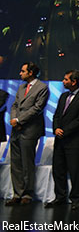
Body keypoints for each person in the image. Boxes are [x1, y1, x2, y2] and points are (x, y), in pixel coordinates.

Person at [45, 70, 79, 210]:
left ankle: (76, 199)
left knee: (75, 171)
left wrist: (64, 131)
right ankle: (60, 197)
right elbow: (56, 115)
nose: (63, 81)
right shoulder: (63, 96)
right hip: (59, 140)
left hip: (74, 140)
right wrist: (56, 129)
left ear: (74, 81)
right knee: (58, 170)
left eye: (66, 79)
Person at [6, 62, 49, 206]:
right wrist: (13, 119)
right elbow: (15, 105)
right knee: (15, 162)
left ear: (31, 73)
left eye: (23, 71)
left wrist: (19, 120)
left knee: (27, 163)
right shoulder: (21, 87)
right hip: (16, 129)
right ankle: (17, 193)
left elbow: (37, 108)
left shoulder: (42, 88)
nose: (20, 73)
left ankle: (27, 194)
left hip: (30, 130)